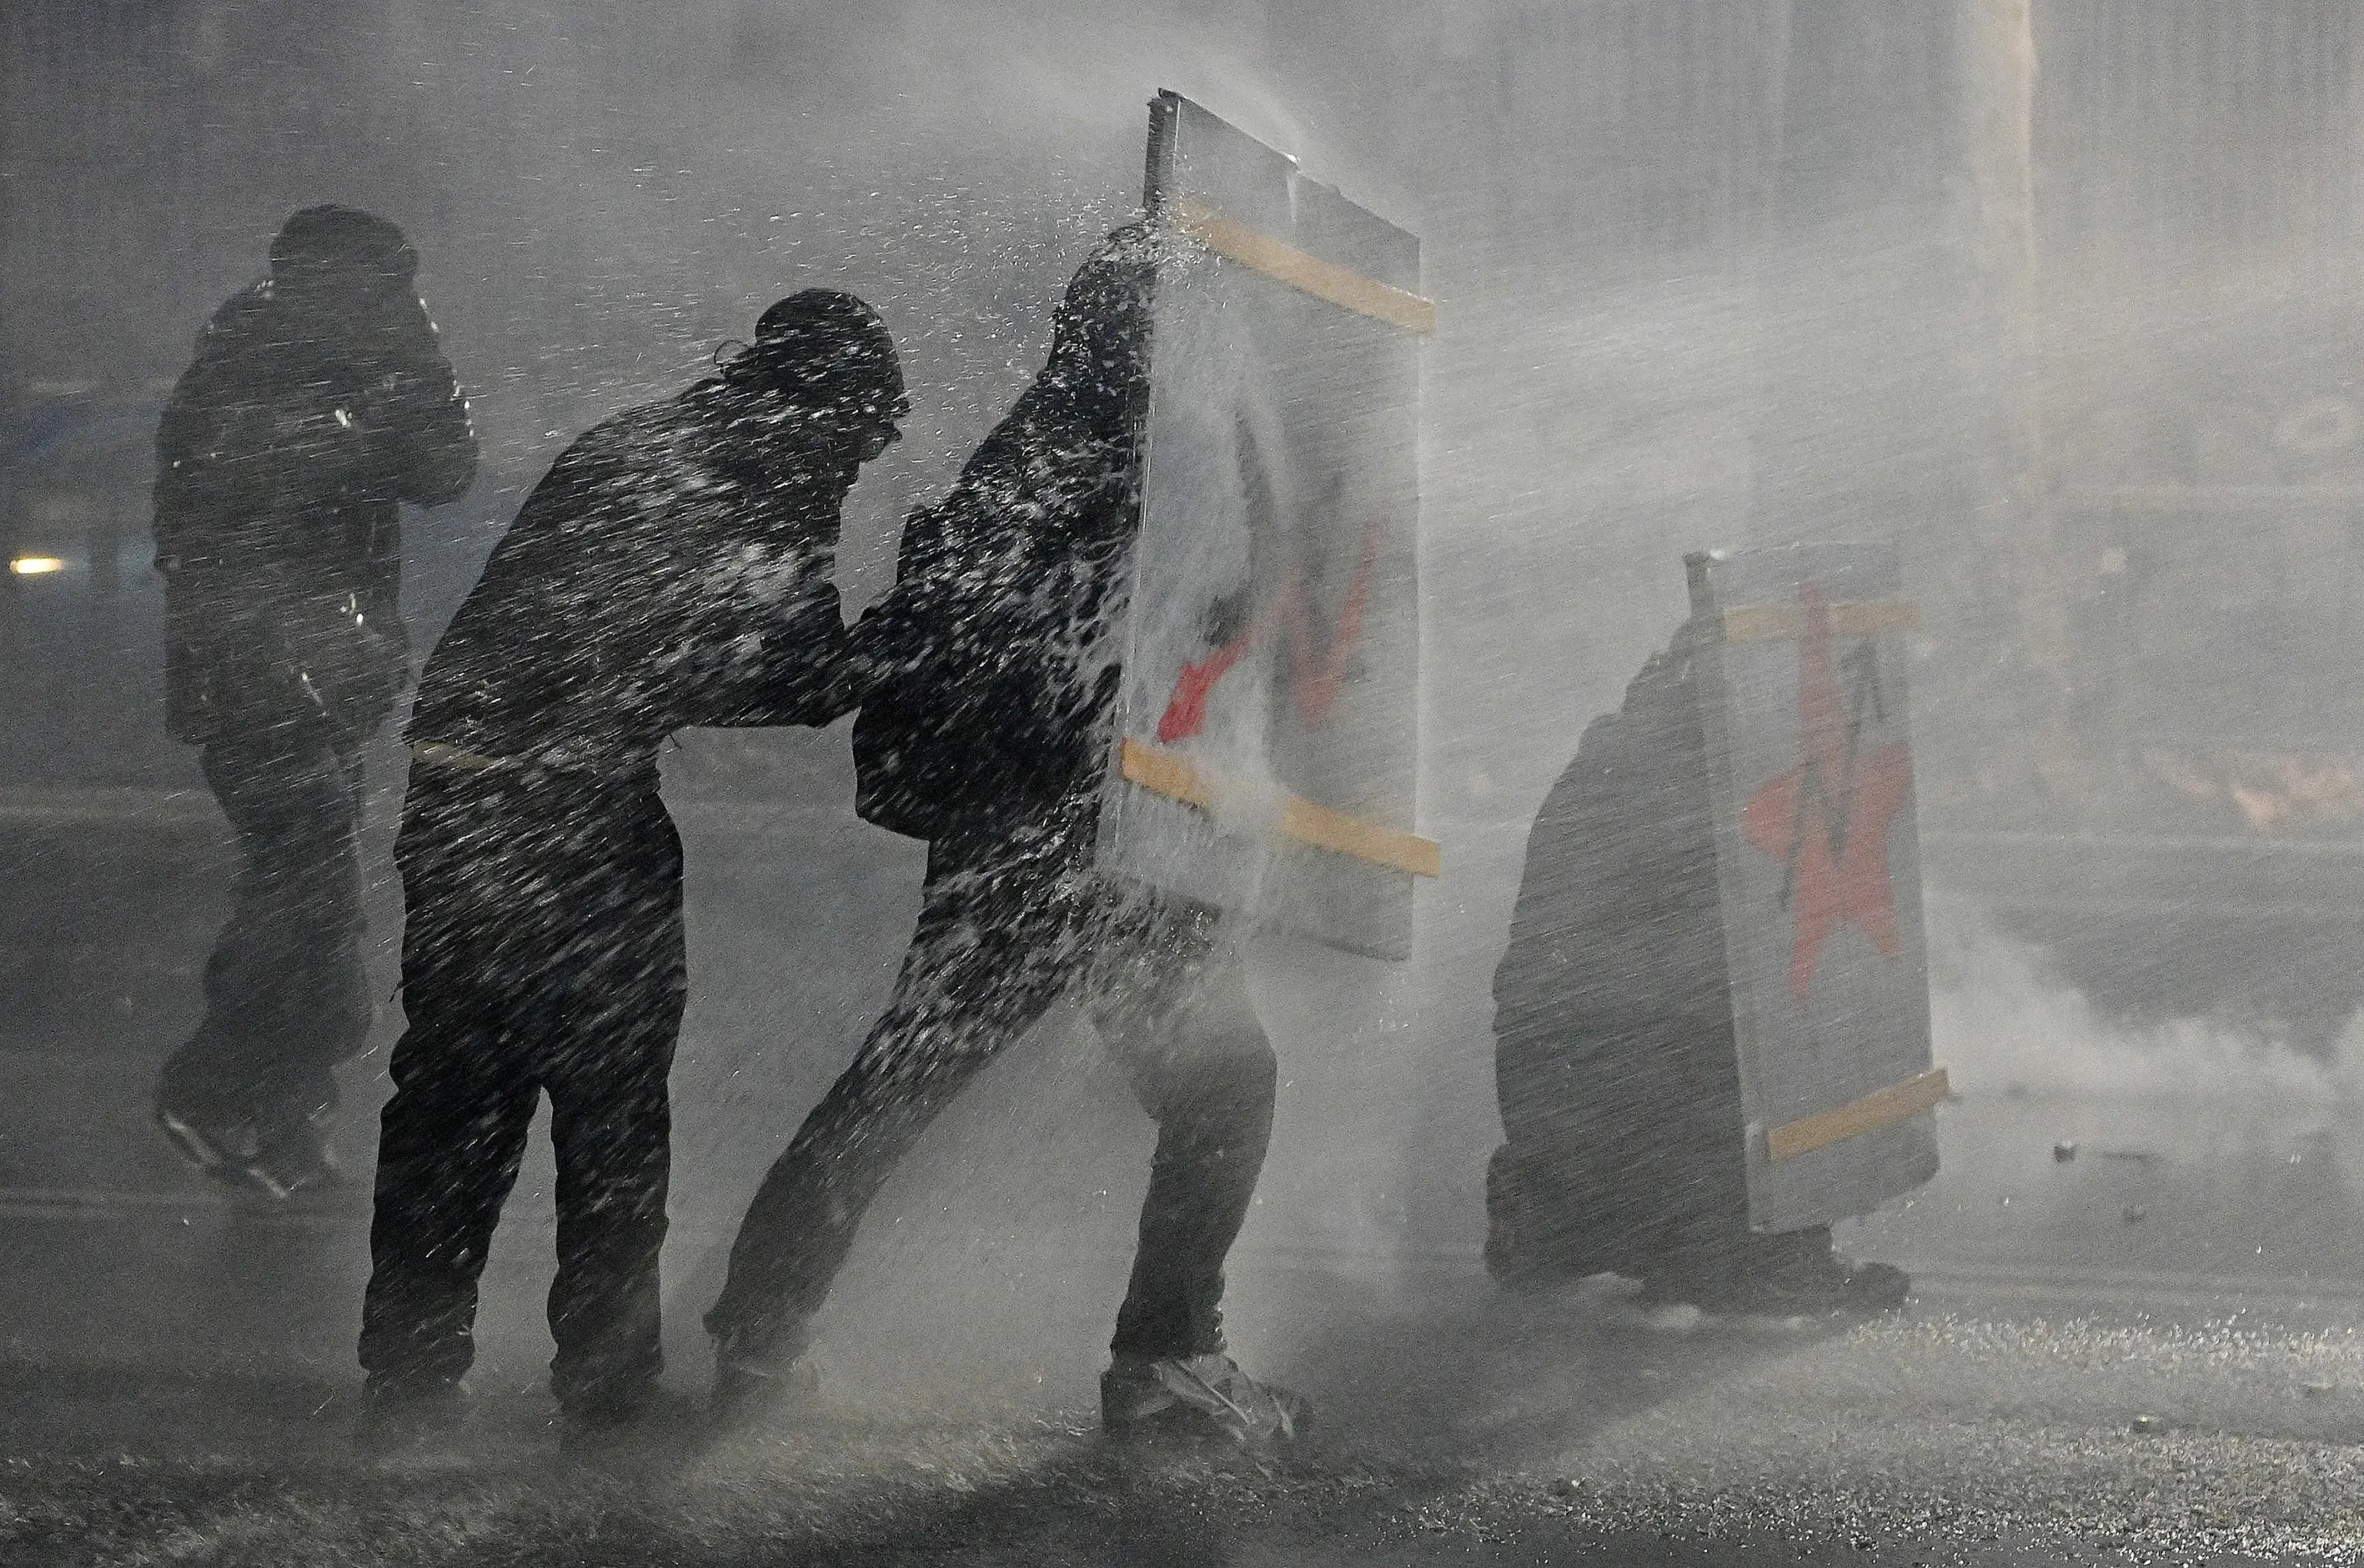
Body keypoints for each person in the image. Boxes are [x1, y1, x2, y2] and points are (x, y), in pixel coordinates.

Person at [703, 230, 1307, 1452]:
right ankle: (1169, 1356)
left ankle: (758, 1332)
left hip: (1022, 824)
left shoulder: (1054, 432)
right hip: (1100, 829)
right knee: (1224, 1086)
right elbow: (1122, 625)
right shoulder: (1144, 445)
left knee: (903, 1077)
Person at [355, 291, 907, 1451]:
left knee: (459, 1094)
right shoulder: (779, 468)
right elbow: (790, 677)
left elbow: (646, 647)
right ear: (838, 408)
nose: (866, 459)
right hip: (578, 806)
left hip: (462, 788)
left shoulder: (646, 440)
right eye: (869, 432)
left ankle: (408, 1380)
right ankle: (606, 1392)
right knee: (610, 1105)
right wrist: (905, 638)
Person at [152, 205, 478, 1199]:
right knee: (311, 891)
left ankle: (281, 1109)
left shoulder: (329, 367)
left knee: (307, 895)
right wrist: (403, 364)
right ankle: (219, 1086)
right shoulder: (260, 371)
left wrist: (408, 358)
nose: (399, 306)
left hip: (319, 679)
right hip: (265, 682)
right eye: (386, 290)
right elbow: (264, 538)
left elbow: (444, 472)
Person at [1484, 623, 1908, 1314]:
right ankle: (1750, 1253)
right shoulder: (1688, 781)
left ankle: (1555, 1218)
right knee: (1761, 1028)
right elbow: (1760, 973)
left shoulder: (1623, 756)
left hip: (1560, 1077)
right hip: (1612, 1064)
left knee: (1709, 1033)